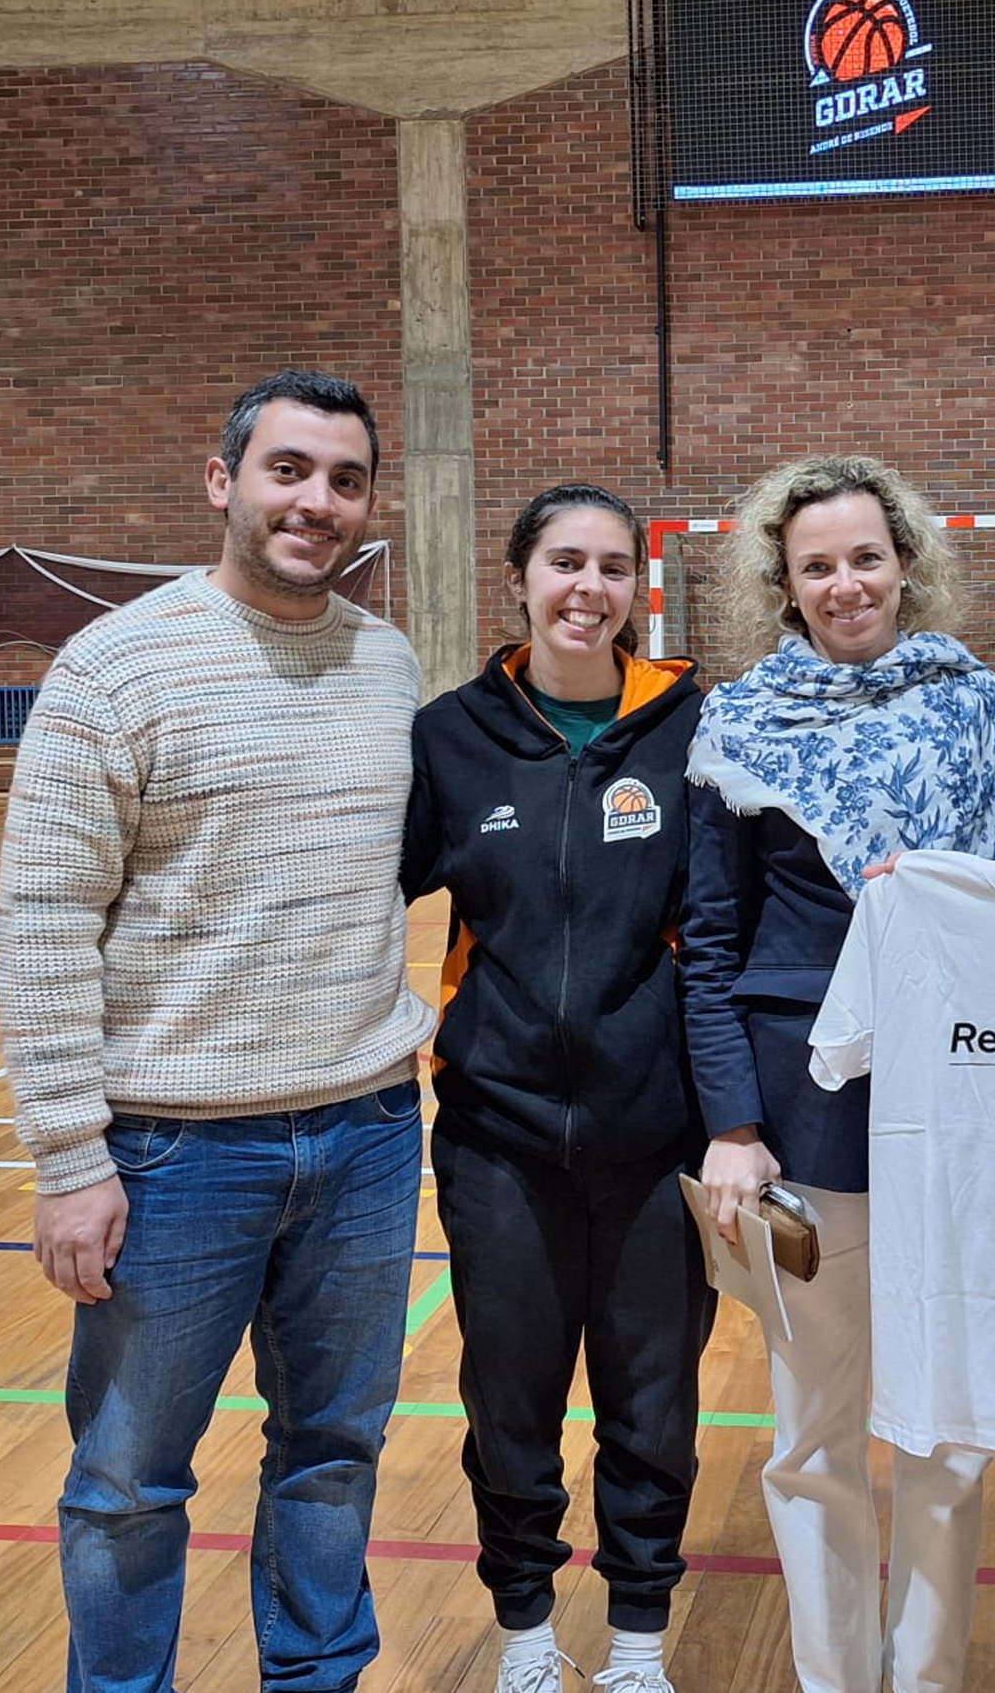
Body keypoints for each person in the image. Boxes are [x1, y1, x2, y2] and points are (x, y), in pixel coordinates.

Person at [0, 369, 434, 1693]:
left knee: (334, 1452)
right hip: (176, 1154)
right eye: (287, 470)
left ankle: (319, 1678)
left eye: (343, 479)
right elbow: (40, 917)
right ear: (222, 482)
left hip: (365, 1134)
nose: (315, 501)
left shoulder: (389, 663)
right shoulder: (114, 665)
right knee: (129, 1477)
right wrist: (69, 1157)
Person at [679, 454, 995, 1693]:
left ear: (906, 561)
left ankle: (923, 1677)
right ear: (783, 580)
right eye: (816, 564)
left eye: (865, 556)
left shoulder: (976, 701)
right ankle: (834, 1678)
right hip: (798, 1113)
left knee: (946, 1430)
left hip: (952, 1098)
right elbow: (709, 942)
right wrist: (731, 1120)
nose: (845, 583)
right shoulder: (738, 722)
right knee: (814, 1428)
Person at [400, 484, 716, 1693]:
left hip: (656, 1138)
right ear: (522, 578)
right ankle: (526, 1633)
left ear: (641, 586)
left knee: (651, 1403)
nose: (589, 586)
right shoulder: (451, 733)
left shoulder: (696, 728)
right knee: (512, 1401)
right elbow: (361, 886)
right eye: (564, 562)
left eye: (612, 567)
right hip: (498, 1134)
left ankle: (638, 1644)